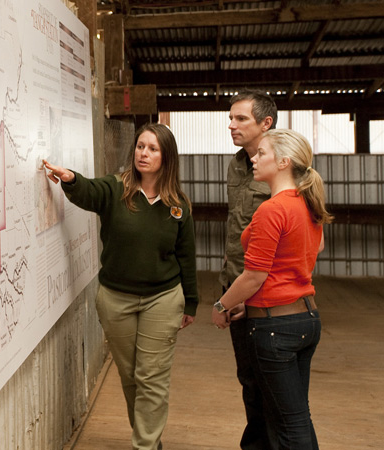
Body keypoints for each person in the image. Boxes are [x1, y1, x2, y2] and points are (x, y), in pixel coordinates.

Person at [43, 123, 198, 450]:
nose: (144, 153)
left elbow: (186, 254)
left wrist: (192, 302)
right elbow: (88, 190)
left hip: (163, 299)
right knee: (131, 377)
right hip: (116, 299)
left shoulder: (178, 204)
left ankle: (144, 445)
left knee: (151, 379)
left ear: (166, 156)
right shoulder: (116, 189)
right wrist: (71, 178)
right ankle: (150, 438)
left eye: (153, 149)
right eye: (141, 146)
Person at [212, 129, 332, 449]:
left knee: (287, 423)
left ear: (283, 162)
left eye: (261, 153)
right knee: (295, 417)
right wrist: (249, 305)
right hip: (305, 318)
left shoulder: (272, 209)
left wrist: (222, 305)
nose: (254, 158)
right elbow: (314, 249)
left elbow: (254, 275)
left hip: (275, 328)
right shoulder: (306, 203)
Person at [218, 90, 279, 450]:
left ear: (265, 123)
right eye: (231, 118)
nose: (232, 125)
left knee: (272, 383)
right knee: (250, 380)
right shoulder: (237, 164)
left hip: (266, 294)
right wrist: (228, 290)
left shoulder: (285, 163)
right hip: (238, 287)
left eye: (241, 118)